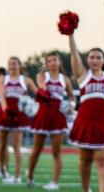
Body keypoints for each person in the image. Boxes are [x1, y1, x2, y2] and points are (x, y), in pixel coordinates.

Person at [68, 30, 104, 192]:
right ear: (87, 60)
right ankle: (86, 189)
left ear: (103, 61)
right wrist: (70, 35)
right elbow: (74, 54)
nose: (94, 60)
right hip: (85, 121)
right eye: (91, 57)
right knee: (85, 160)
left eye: (98, 57)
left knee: (102, 160)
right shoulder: (83, 76)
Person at [27, 53, 74, 190]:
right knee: (37, 149)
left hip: (58, 115)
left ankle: (55, 182)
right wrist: (44, 89)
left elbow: (72, 97)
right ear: (46, 64)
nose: (52, 62)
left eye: (55, 60)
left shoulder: (65, 79)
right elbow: (42, 88)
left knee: (56, 152)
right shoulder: (42, 75)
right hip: (43, 113)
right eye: (49, 61)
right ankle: (30, 175)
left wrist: (70, 105)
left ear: (59, 62)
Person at [0, 56, 37, 184]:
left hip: (20, 114)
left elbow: (38, 93)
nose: (12, 66)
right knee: (2, 144)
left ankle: (17, 176)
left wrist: (32, 104)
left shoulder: (26, 80)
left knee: (16, 145)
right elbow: (2, 95)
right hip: (6, 112)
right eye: (10, 64)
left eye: (14, 63)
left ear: (20, 65)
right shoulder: (3, 78)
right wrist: (5, 110)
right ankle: (3, 171)